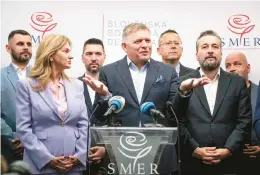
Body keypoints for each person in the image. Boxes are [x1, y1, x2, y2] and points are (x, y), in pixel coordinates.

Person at [83, 23, 208, 175]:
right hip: (121, 155)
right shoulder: (109, 72)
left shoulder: (167, 71)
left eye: (148, 41)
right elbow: (99, 117)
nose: (145, 45)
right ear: (124, 46)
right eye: (138, 42)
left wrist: (183, 91)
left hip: (159, 154)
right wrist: (103, 95)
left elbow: (174, 113)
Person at [179, 30, 252, 175]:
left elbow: (244, 121)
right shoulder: (183, 82)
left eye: (215, 46)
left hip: (230, 164)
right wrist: (195, 149)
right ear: (196, 54)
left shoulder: (237, 82)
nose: (210, 50)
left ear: (221, 53)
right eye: (205, 47)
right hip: (193, 165)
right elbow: (177, 121)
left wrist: (228, 150)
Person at [16, 34, 89, 175]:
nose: (71, 56)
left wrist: (78, 156)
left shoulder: (78, 85)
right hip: (40, 166)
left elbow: (84, 124)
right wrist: (48, 159)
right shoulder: (26, 86)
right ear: (51, 55)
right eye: (66, 51)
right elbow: (23, 129)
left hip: (73, 166)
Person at [225, 51, 260, 175]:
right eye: (228, 66)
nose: (232, 69)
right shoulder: (220, 96)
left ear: (248, 67)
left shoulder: (258, 91)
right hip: (229, 161)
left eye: (237, 64)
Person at [1, 29, 32, 164]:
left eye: (29, 44)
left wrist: (32, 140)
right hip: (9, 152)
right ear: (8, 48)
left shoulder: (43, 77)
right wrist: (13, 139)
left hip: (40, 152)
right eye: (20, 44)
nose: (26, 47)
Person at [78, 38, 107, 175]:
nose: (94, 58)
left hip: (107, 159)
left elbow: (120, 121)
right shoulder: (71, 85)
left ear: (104, 58)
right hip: (76, 157)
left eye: (98, 54)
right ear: (82, 58)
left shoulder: (114, 86)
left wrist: (107, 148)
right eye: (89, 54)